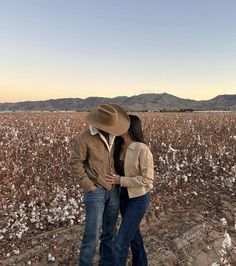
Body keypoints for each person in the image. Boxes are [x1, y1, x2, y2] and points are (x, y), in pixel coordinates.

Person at [70, 104, 130, 266]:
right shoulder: (84, 138)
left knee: (110, 233)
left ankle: (106, 263)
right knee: (91, 235)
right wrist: (89, 186)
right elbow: (75, 164)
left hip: (114, 191)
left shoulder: (116, 136)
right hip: (95, 192)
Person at [105, 115, 154, 266]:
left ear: (131, 127)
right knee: (133, 235)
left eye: (122, 124)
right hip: (124, 197)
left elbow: (148, 179)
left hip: (139, 198)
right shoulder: (117, 146)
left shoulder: (142, 149)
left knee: (121, 241)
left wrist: (121, 180)